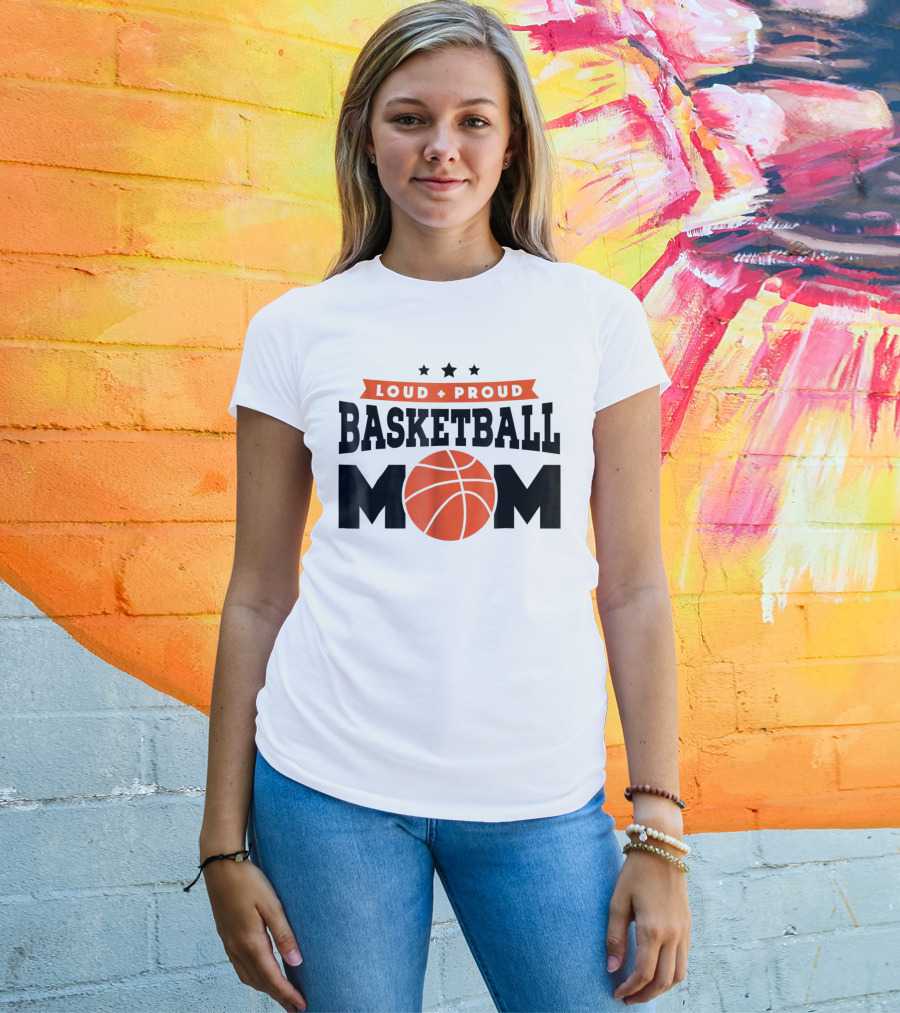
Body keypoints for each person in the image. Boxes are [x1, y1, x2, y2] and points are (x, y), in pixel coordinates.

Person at [194, 2, 692, 1010]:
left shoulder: (593, 319)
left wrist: (658, 824)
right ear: (366, 136)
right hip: (327, 783)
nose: (441, 149)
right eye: (409, 118)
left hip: (541, 794)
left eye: (474, 120)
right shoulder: (298, 330)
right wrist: (219, 845)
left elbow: (635, 586)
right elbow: (256, 593)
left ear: (512, 146)